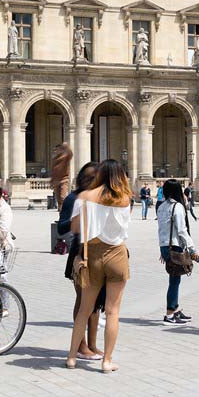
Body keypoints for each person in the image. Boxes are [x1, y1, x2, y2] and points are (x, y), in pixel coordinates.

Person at [65, 159, 130, 373]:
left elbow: (74, 227)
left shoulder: (85, 197)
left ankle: (72, 357)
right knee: (112, 312)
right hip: (117, 255)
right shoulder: (125, 198)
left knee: (84, 310)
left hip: (91, 254)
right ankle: (107, 361)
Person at [58, 163, 105, 362]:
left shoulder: (100, 197)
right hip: (79, 253)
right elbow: (61, 228)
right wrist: (78, 220)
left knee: (96, 302)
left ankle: (92, 344)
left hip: (99, 251)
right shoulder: (73, 198)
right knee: (83, 300)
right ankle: (81, 345)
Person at [156, 180, 197, 325]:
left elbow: (161, 229)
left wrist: (163, 249)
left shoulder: (161, 207)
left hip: (166, 245)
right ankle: (169, 314)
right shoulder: (177, 207)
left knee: (176, 278)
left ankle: (175, 308)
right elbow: (181, 230)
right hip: (175, 245)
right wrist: (192, 249)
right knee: (174, 280)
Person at [51, 142, 73, 209]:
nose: (56, 151)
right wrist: (52, 181)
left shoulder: (65, 157)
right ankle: (61, 215)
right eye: (55, 150)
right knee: (59, 200)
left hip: (64, 179)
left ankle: (65, 214)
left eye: (57, 149)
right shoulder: (55, 159)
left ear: (61, 150)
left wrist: (67, 147)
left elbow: (70, 154)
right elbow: (54, 171)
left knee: (62, 197)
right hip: (56, 181)